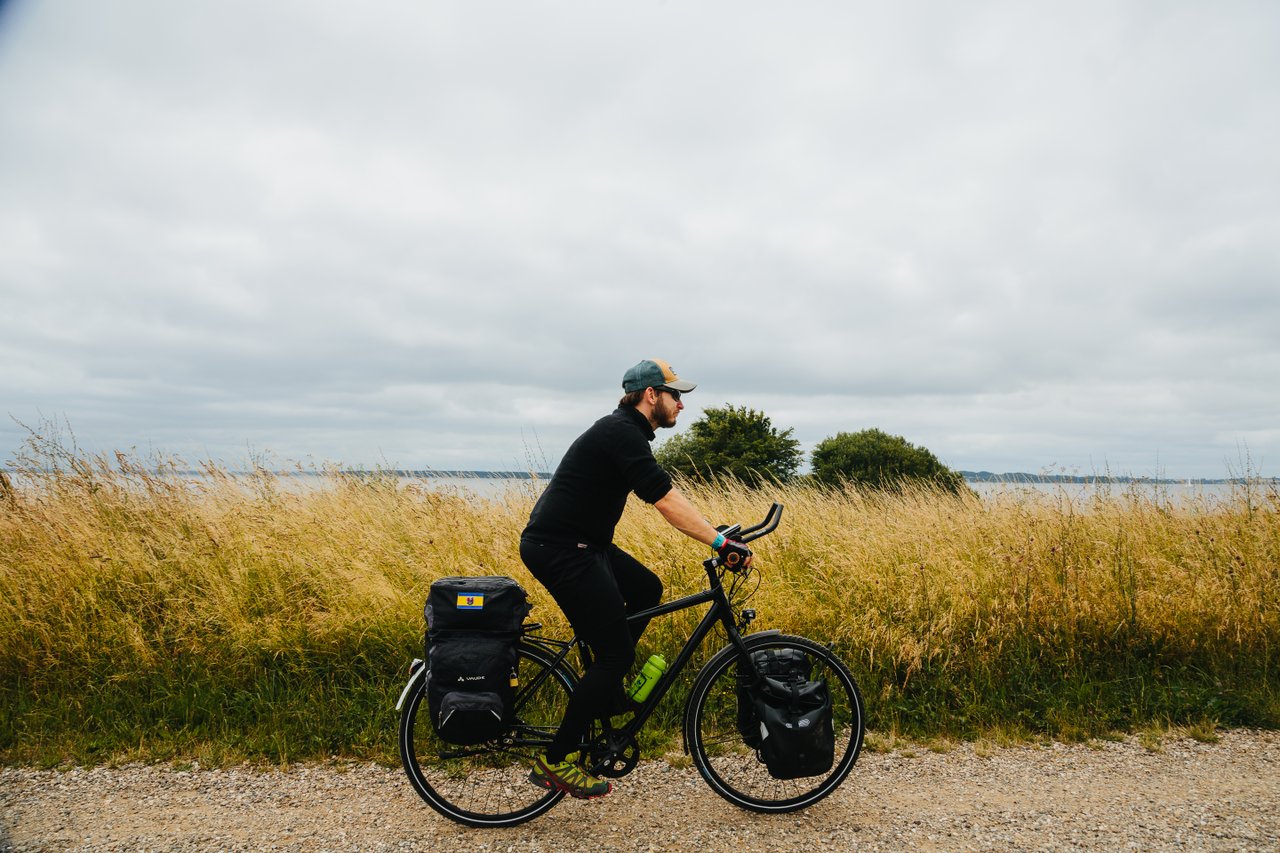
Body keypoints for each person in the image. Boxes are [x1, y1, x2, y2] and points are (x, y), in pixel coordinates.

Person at [520, 358, 754, 799]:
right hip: (561, 548)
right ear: (651, 395)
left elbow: (667, 494)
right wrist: (718, 544)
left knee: (647, 589)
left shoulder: (625, 432)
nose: (681, 405)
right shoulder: (621, 433)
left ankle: (607, 691)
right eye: (676, 395)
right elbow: (665, 500)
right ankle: (555, 760)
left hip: (584, 544)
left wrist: (714, 531)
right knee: (615, 655)